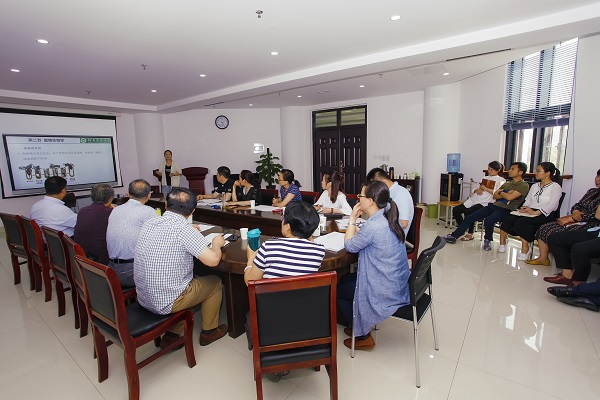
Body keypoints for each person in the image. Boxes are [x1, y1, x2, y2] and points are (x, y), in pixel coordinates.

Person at [134, 187, 227, 348]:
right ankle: (209, 332)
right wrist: (216, 244)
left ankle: (173, 333)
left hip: (144, 297)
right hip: (166, 302)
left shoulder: (150, 223)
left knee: (180, 279)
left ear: (166, 205)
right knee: (215, 282)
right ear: (192, 212)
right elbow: (213, 260)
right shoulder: (184, 230)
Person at [243, 201, 326, 367]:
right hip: (304, 317)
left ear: (287, 226)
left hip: (272, 319)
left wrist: (250, 260)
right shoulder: (319, 251)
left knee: (249, 313)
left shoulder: (268, 247)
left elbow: (250, 282)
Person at [337, 180, 410, 350]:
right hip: (396, 282)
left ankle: (363, 335)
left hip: (383, 287)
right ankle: (358, 323)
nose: (358, 198)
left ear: (370, 201)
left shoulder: (374, 226)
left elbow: (349, 245)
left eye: (360, 196)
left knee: (338, 291)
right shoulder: (388, 216)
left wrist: (352, 219)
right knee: (345, 279)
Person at [443, 162, 530, 251]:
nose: (509, 171)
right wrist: (505, 193)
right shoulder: (508, 184)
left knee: (489, 221)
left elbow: (510, 198)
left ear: (520, 172)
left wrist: (502, 193)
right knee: (469, 217)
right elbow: (495, 196)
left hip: (506, 209)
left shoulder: (523, 185)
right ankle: (454, 236)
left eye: (513, 169)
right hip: (494, 205)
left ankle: (487, 240)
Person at [526, 169, 600, 266]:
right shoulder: (592, 191)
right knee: (544, 227)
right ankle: (543, 258)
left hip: (591, 224)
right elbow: (578, 204)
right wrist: (575, 211)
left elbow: (596, 215)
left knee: (560, 233)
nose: (597, 179)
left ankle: (567, 266)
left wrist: (573, 218)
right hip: (575, 218)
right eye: (597, 176)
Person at [498, 162, 562, 260]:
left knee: (522, 222)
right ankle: (503, 243)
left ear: (548, 173)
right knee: (509, 219)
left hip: (545, 214)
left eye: (538, 171)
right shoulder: (535, 186)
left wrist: (536, 212)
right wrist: (525, 208)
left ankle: (525, 248)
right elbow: (528, 200)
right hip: (531, 211)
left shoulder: (555, 187)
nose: (536, 173)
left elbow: (552, 205)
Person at [106, 179, 157, 287]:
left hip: (111, 269)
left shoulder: (116, 209)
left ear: (128, 193)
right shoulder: (148, 211)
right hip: (130, 271)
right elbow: (160, 239)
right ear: (149, 195)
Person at [543, 204, 600, 285]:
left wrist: (572, 219)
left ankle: (578, 284)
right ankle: (567, 275)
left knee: (579, 249)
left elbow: (598, 216)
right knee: (554, 239)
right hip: (597, 231)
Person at [452, 161, 505, 241]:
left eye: (491, 169)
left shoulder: (501, 180)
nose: (489, 171)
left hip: (485, 202)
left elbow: (497, 193)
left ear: (498, 170)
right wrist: (476, 190)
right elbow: (475, 188)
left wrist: (485, 189)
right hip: (474, 199)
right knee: (456, 210)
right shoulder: (484, 178)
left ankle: (470, 233)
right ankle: (462, 228)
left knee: (468, 212)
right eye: (488, 169)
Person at [74, 183, 114, 264]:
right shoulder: (112, 213)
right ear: (110, 198)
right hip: (103, 261)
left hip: (83, 258)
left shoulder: (82, 211)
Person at [366, 168, 414, 233]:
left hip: (393, 236)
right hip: (383, 231)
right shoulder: (387, 192)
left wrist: (378, 224)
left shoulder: (400, 194)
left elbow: (403, 223)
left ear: (383, 183)